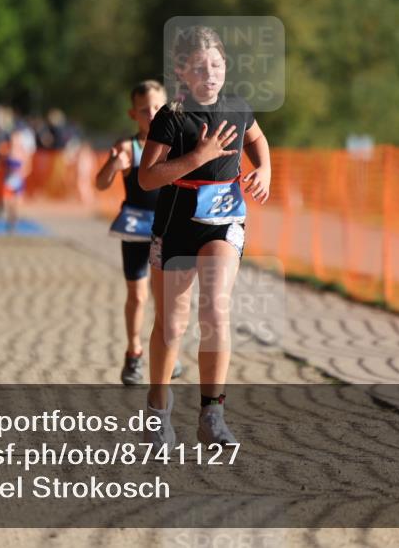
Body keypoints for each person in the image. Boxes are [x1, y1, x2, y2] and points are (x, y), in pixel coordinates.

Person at [138, 26, 271, 448]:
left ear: (226, 67)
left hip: (223, 222)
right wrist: (198, 157)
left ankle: (212, 414)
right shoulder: (172, 116)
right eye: (199, 67)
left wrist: (264, 169)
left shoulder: (238, 107)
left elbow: (258, 139)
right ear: (182, 71)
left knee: (215, 311)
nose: (209, 74)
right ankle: (158, 410)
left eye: (216, 65)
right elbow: (146, 177)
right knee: (172, 325)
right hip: (175, 223)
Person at [96, 81, 184, 386]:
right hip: (135, 229)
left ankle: (167, 349)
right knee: (138, 294)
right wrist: (114, 165)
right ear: (134, 113)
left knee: (166, 298)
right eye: (145, 109)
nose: (152, 113)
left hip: (168, 228)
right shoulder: (128, 148)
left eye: (158, 107)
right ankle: (134, 352)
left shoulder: (176, 146)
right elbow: (101, 183)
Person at [2, 124, 35, 232]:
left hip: (18, 181)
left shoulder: (24, 153)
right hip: (8, 180)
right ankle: (9, 219)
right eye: (13, 139)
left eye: (17, 139)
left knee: (16, 203)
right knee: (7, 202)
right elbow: (1, 166)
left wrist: (20, 174)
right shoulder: (6, 151)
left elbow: (28, 168)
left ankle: (14, 222)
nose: (15, 141)